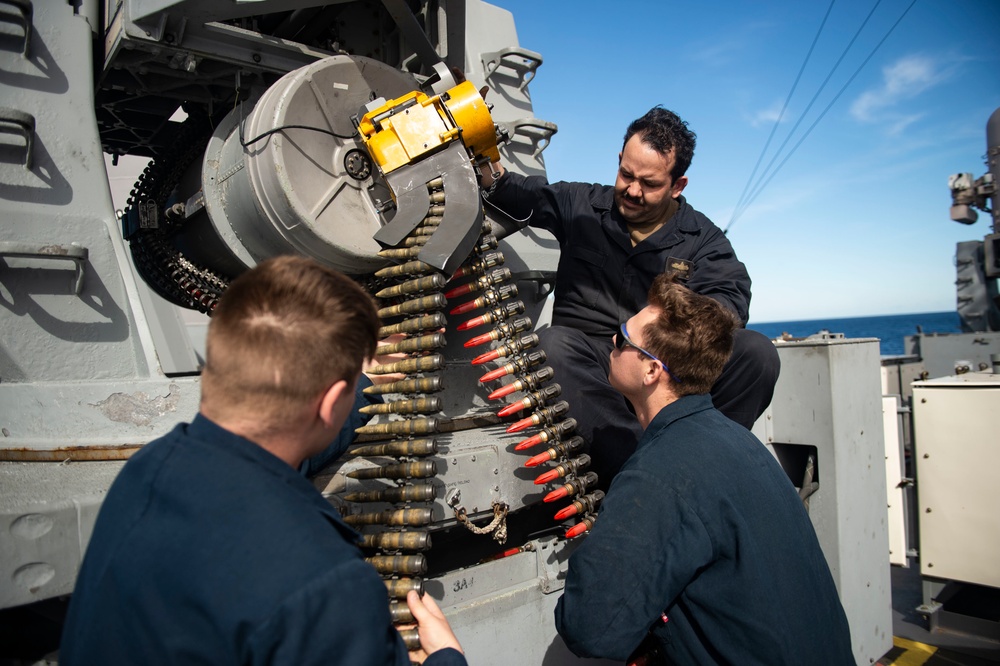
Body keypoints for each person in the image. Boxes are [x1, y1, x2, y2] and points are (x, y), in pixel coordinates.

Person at [60, 256, 466, 666]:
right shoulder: (324, 581)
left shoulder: (149, 468)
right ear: (328, 405)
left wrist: (356, 389)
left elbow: (264, 459)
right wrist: (446, 657)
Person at [553, 274, 854, 665]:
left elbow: (588, 626)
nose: (612, 342)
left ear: (651, 371)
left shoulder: (660, 472)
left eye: (623, 338)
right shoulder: (741, 442)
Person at [482, 106, 780, 484]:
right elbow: (515, 192)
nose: (633, 191)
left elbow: (730, 302)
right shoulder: (581, 205)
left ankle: (711, 466)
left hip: (666, 372)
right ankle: (650, 474)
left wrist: (665, 325)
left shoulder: (704, 240)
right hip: (593, 373)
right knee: (551, 346)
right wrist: (482, 155)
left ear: (678, 185)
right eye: (626, 174)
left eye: (650, 183)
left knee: (756, 354)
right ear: (620, 161)